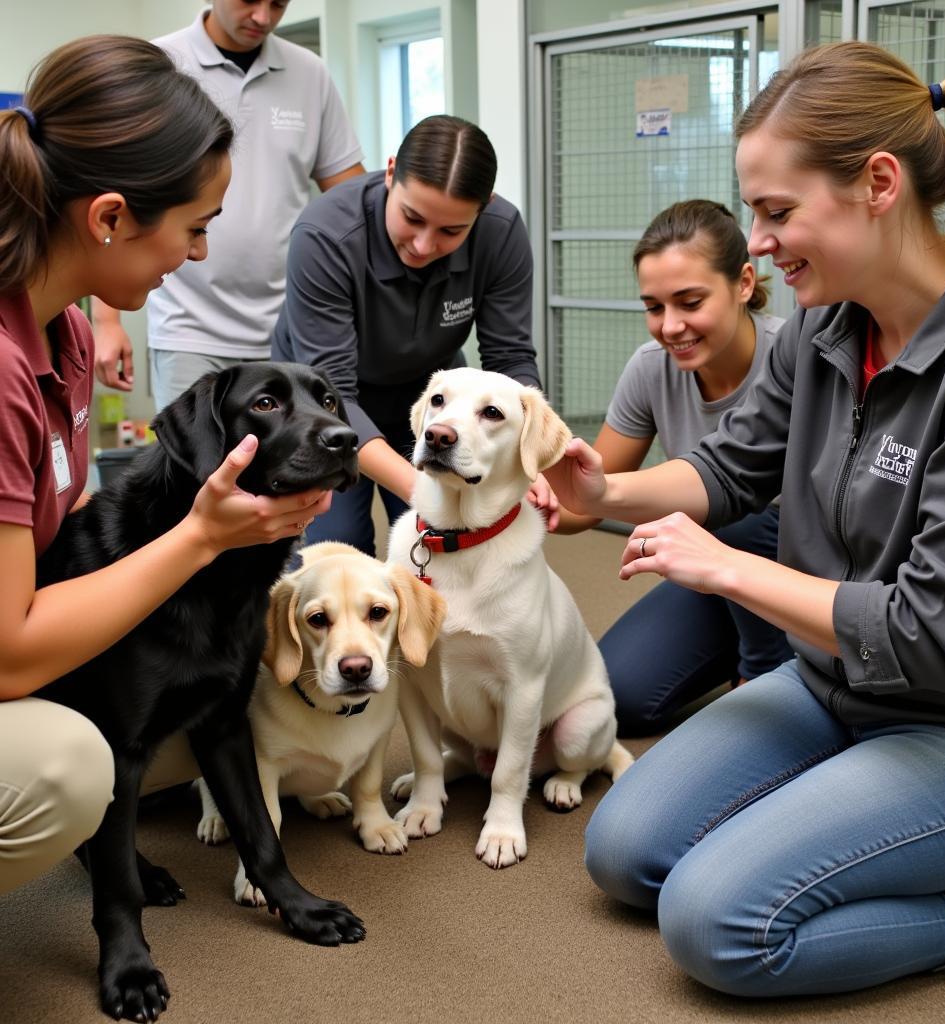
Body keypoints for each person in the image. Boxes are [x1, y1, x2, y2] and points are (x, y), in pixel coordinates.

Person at [546, 41, 945, 996]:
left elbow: (934, 640)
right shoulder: (822, 326)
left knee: (715, 924)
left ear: (878, 184)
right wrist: (603, 493)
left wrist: (725, 568)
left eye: (776, 212)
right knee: (624, 851)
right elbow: (731, 463)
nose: (756, 243)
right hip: (831, 685)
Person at [0, 35, 332, 898]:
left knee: (198, 705)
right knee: (71, 767)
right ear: (109, 217)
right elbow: (9, 655)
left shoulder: (66, 332)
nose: (197, 255)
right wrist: (200, 538)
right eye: (195, 228)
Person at [557, 200, 792, 735]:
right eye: (654, 306)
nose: (671, 326)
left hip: (797, 571)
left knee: (737, 511)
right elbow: (592, 497)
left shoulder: (793, 356)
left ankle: (766, 670)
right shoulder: (650, 368)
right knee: (620, 698)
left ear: (745, 283)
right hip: (714, 569)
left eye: (689, 302)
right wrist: (553, 497)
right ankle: (739, 641)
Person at [272, 113, 553, 556]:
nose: (424, 245)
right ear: (389, 174)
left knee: (450, 543)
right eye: (412, 217)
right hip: (326, 403)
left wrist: (531, 458)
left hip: (429, 399)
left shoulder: (501, 233)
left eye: (451, 231)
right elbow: (335, 391)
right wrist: (427, 490)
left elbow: (510, 359)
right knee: (338, 550)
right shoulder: (326, 233)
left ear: (483, 209)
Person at [91, 0, 366, 411]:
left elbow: (352, 199)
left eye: (277, 4)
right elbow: (113, 194)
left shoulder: (310, 74)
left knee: (282, 470)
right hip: (188, 327)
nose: (262, 17)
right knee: (192, 472)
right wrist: (106, 322)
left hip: (287, 329)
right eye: (250, 0)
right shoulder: (160, 63)